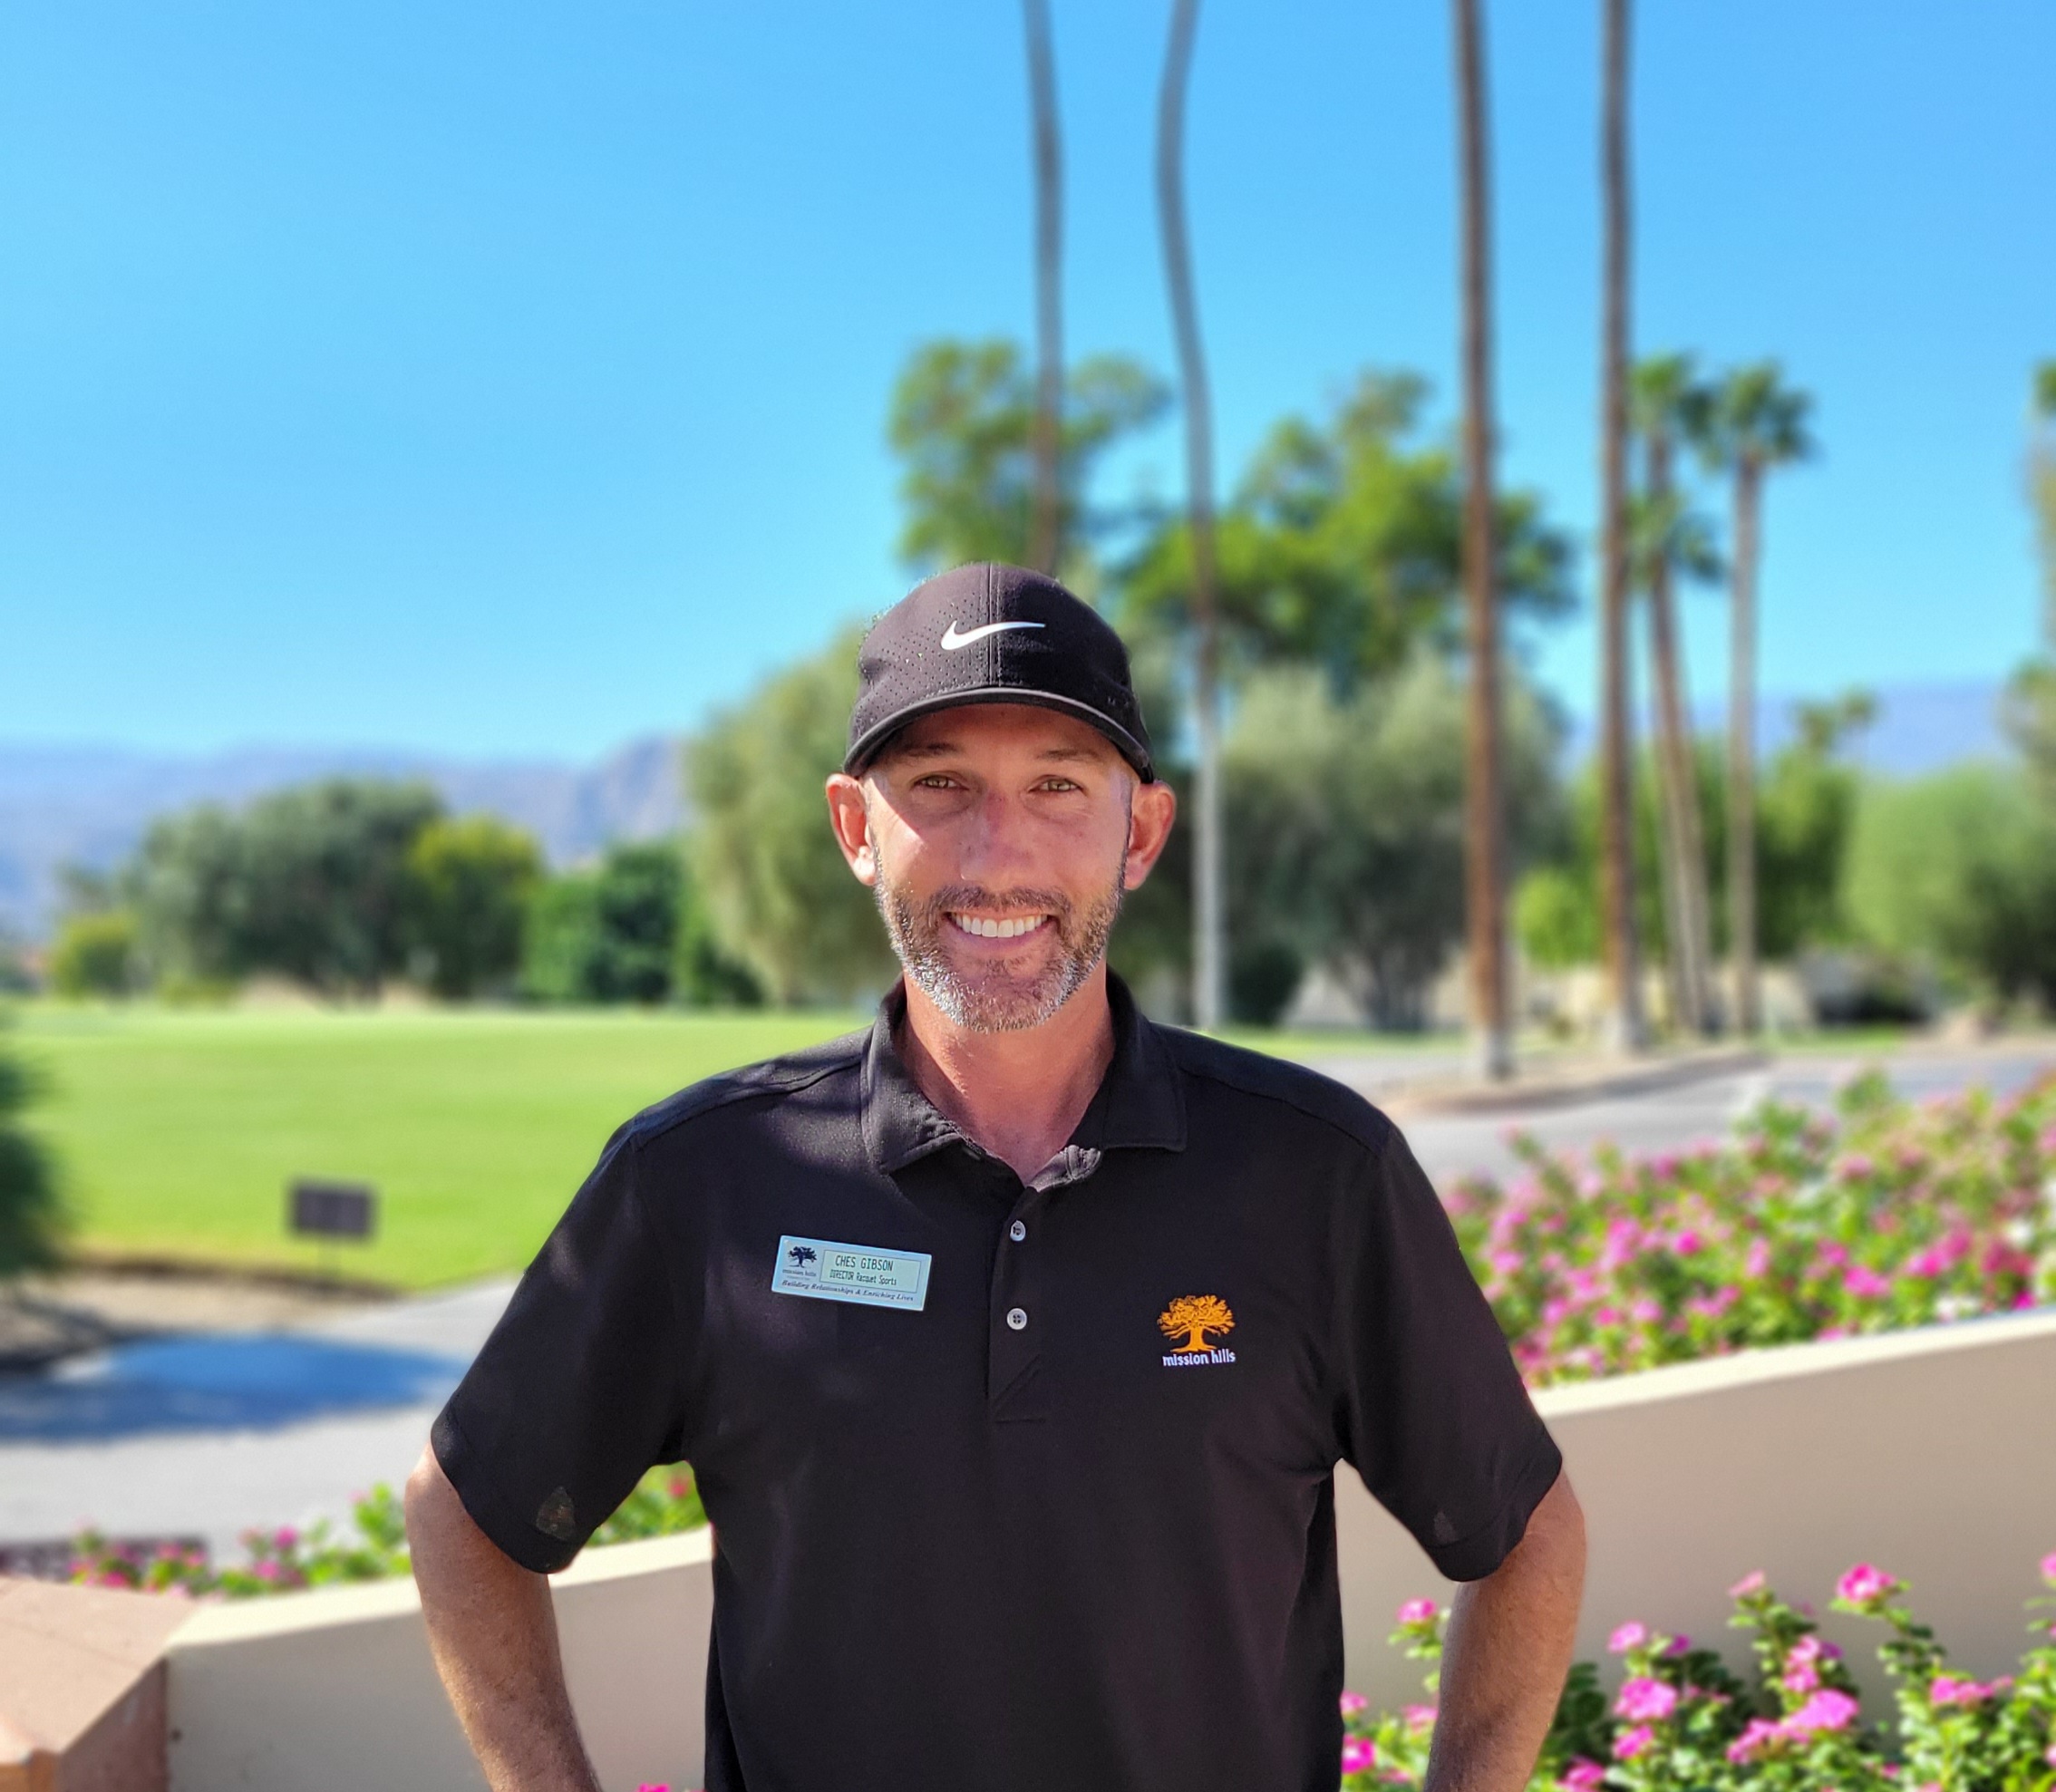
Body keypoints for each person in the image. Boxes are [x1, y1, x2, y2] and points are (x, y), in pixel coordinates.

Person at [405, 561, 1586, 1792]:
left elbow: (1527, 1536)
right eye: (941, 784)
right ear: (857, 830)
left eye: (1058, 785)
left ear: (1142, 834)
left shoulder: (1319, 1175)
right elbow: (465, 1512)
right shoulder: (699, 1183)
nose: (998, 851)